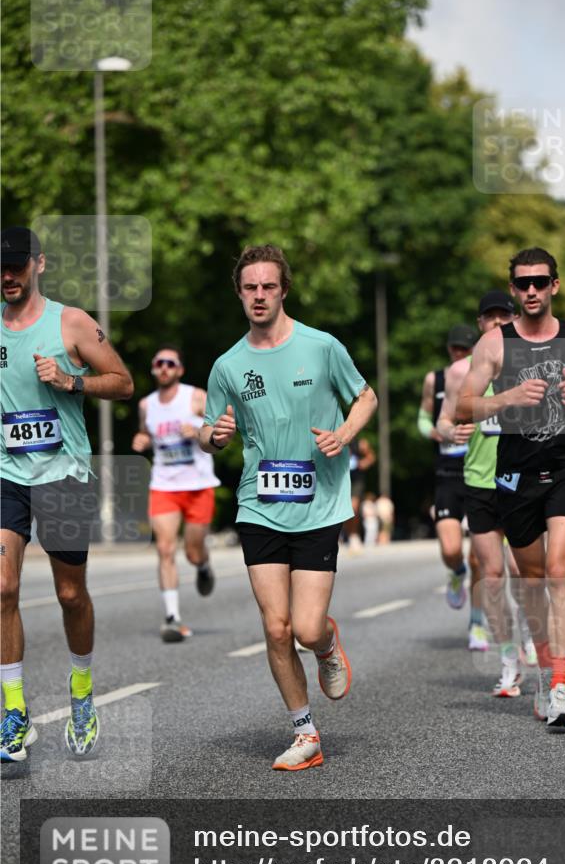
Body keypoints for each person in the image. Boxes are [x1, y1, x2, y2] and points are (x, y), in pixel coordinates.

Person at [199, 245, 377, 771]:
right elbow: (209, 430)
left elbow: (365, 397)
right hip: (259, 504)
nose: (259, 296)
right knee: (275, 628)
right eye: (249, 287)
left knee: (304, 626)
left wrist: (344, 434)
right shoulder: (228, 365)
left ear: (283, 290)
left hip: (319, 504)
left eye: (268, 287)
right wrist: (216, 435)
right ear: (240, 293)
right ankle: (305, 734)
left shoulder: (321, 347)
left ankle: (325, 643)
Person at [457, 248, 565, 732]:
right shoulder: (494, 345)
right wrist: (506, 397)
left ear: (554, 286)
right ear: (514, 286)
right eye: (522, 283)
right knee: (533, 577)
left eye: (540, 282)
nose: (530, 291)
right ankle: (545, 671)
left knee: (560, 568)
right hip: (514, 469)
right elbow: (463, 407)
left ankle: (561, 686)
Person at [0, 226, 133, 761]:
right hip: (7, 472)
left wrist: (72, 381)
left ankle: (81, 692)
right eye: (0, 268)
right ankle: (14, 711)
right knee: (2, 588)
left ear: (39, 264)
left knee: (69, 595)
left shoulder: (70, 322)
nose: (8, 276)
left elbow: (123, 382)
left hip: (63, 472)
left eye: (16, 265)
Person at [439, 290, 535, 700]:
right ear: (480, 323)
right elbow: (444, 421)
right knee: (492, 575)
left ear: (512, 318)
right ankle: (509, 660)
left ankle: (530, 633)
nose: (496, 323)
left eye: (503, 316)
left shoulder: (529, 359)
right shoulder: (461, 373)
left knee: (523, 572)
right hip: (478, 481)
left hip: (522, 480)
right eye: (489, 317)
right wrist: (452, 431)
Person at [132, 346, 220, 642]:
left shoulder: (196, 397)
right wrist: (142, 439)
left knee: (193, 551)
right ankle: (172, 617)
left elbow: (219, 431)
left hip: (197, 484)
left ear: (180, 369)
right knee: (165, 549)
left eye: (170, 363)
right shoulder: (146, 404)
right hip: (164, 485)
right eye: (159, 363)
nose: (165, 367)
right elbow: (145, 432)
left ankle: (203, 565)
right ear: (154, 370)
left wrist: (196, 428)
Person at [418, 324, 484, 649]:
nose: (459, 354)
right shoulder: (437, 380)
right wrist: (438, 432)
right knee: (450, 548)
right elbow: (423, 418)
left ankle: (478, 623)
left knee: (481, 558)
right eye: (455, 348)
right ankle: (455, 572)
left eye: (465, 349)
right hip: (446, 472)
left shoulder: (487, 375)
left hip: (480, 471)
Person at [343, 435, 376, 551]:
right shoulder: (334, 439)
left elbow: (371, 457)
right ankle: (347, 534)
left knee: (354, 507)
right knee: (345, 509)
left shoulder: (360, 443)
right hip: (341, 479)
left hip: (356, 479)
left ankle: (354, 535)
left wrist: (363, 463)